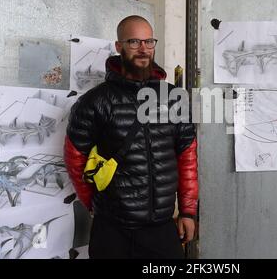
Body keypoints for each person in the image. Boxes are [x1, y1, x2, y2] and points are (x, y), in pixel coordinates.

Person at [64, 15, 198, 259]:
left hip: (162, 228)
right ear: (119, 47)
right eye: (134, 41)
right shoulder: (95, 102)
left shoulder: (175, 98)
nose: (143, 49)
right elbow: (75, 160)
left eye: (149, 42)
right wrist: (94, 205)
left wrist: (188, 211)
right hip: (112, 231)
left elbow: (186, 158)